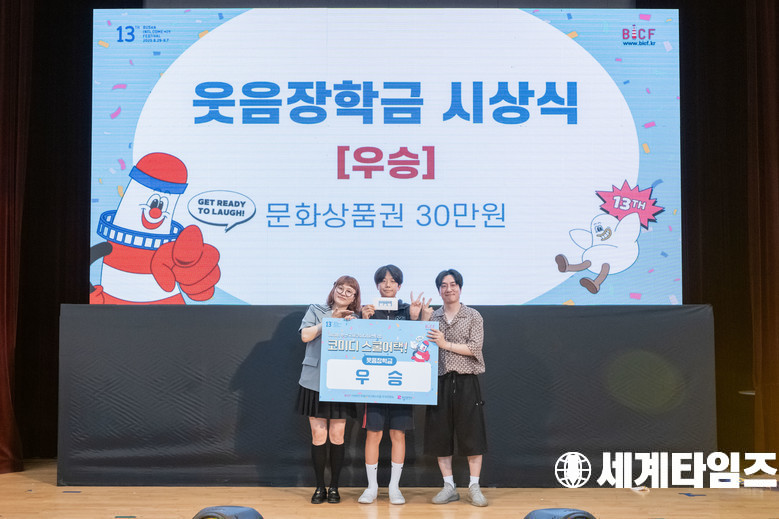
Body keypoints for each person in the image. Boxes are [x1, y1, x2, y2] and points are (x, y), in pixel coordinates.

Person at [357, 265, 431, 505]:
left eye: (392, 281)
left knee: (398, 433)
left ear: (399, 286)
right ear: (377, 285)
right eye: (383, 280)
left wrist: (415, 318)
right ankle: (371, 487)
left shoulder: (408, 309)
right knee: (374, 434)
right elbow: (357, 342)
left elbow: (418, 343)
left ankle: (394, 488)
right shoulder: (368, 310)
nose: (387, 284)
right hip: (373, 383)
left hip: (402, 383)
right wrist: (363, 321)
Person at [424, 269, 488, 507]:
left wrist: (445, 344)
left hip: (466, 380)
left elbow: (475, 347)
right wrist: (421, 320)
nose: (448, 289)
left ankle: (474, 486)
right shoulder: (433, 317)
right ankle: (448, 486)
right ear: (439, 290)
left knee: (472, 434)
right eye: (443, 285)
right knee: (440, 434)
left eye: (453, 284)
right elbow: (420, 346)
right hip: (439, 380)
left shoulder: (473, 315)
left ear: (460, 288)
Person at [296, 275, 361, 504]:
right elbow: (305, 336)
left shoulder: (356, 318)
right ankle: (319, 487)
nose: (343, 293)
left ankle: (334, 487)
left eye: (349, 291)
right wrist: (330, 322)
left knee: (337, 435)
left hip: (341, 382)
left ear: (354, 298)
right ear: (333, 290)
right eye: (340, 288)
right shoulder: (316, 310)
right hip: (314, 381)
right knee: (318, 435)